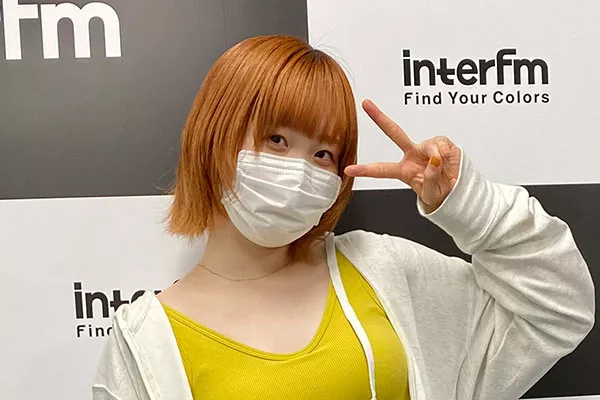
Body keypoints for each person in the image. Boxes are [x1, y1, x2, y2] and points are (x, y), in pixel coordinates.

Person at [91, 35, 595, 400]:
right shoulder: (144, 342)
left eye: (323, 155)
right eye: (277, 139)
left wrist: (470, 205)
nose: (299, 171)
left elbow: (559, 309)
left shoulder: (380, 271)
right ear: (213, 134)